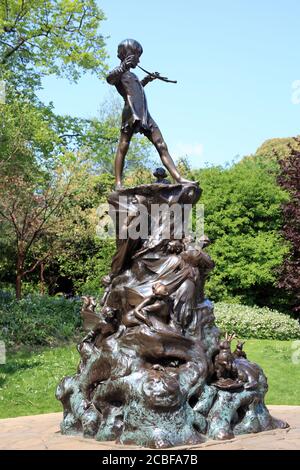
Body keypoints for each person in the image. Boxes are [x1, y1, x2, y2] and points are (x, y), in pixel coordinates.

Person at [106, 39, 193, 189]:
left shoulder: (132, 76)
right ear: (127, 55)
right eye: (136, 56)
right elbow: (110, 79)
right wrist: (123, 66)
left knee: (161, 144)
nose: (138, 60)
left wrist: (147, 80)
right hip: (131, 113)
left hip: (145, 114)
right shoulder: (120, 73)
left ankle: (178, 178)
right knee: (123, 146)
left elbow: (137, 89)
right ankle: (118, 183)